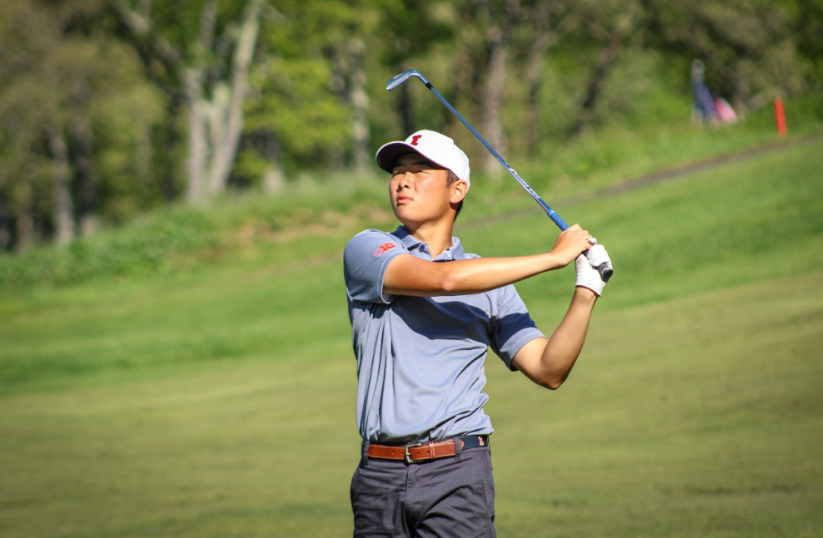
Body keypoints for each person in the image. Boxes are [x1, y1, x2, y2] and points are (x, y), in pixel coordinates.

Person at [343, 129, 612, 537]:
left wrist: (586, 292)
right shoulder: (367, 249)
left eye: (420, 170)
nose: (403, 180)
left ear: (457, 190)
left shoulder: (491, 283)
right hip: (380, 474)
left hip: (458, 471)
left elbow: (548, 369)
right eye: (398, 171)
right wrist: (553, 258)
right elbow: (444, 281)